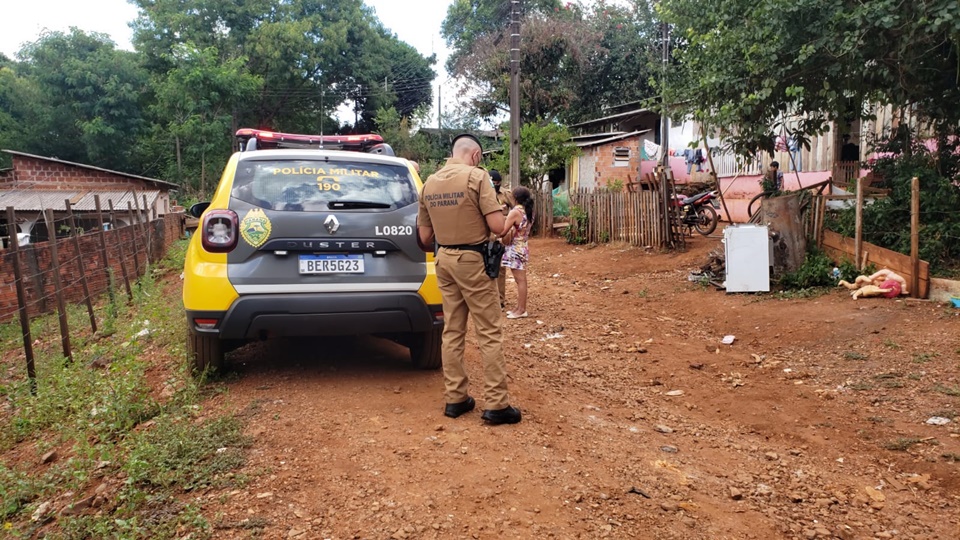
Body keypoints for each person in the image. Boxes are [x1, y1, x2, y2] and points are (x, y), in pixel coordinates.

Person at [417, 134, 522, 425]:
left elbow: (425, 238)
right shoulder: (478, 177)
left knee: (452, 331)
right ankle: (497, 405)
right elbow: (498, 227)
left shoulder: (430, 183)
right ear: (476, 155)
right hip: (474, 262)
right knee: (489, 332)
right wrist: (512, 216)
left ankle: (456, 399)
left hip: (444, 262)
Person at [501, 186, 534, 319]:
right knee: (520, 280)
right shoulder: (528, 210)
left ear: (514, 198)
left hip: (515, 248)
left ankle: (521, 310)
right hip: (523, 246)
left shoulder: (515, 212)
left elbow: (503, 230)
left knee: (520, 280)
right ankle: (519, 307)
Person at [489, 169, 516, 309]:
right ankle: (488, 300)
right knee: (484, 268)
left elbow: (516, 208)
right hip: (485, 235)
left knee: (500, 268)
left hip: (501, 234)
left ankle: (500, 300)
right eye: (493, 183)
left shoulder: (505, 194)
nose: (496, 185)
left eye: (498, 183)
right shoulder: (483, 194)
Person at [838, 268, 908, 299]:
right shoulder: (878, 278)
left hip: (863, 285)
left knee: (853, 287)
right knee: (862, 280)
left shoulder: (878, 284)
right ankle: (845, 283)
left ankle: (843, 282)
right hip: (862, 281)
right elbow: (877, 278)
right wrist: (871, 279)